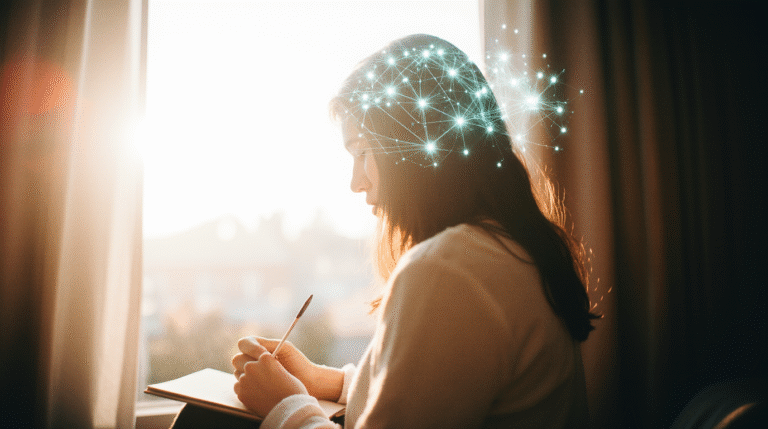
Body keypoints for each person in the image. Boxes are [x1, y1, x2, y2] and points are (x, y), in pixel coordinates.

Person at [229, 33, 599, 428]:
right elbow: (448, 390)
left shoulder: (448, 269)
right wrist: (327, 381)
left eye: (362, 151)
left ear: (412, 149)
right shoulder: (506, 250)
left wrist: (285, 405)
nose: (356, 181)